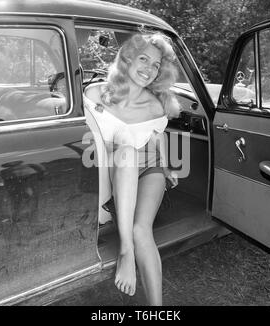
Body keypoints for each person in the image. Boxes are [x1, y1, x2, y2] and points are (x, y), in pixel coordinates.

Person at [84, 32, 180, 306]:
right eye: (144, 59)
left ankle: (156, 308)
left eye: (156, 65)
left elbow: (157, 139)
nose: (149, 69)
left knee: (142, 230)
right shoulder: (94, 93)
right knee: (124, 150)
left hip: (148, 170)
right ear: (127, 58)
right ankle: (126, 253)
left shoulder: (156, 104)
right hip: (112, 173)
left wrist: (168, 166)